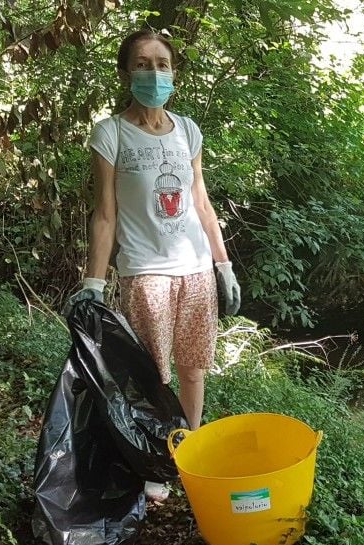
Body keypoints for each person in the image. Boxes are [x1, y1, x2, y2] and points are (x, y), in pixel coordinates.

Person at [66, 29, 240, 501]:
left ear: (174, 73)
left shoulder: (189, 130)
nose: (153, 73)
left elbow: (201, 203)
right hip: (146, 272)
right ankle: (155, 461)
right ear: (126, 73)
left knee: (194, 369)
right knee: (151, 376)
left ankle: (188, 454)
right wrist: (94, 281)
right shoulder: (111, 133)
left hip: (196, 268)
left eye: (162, 64)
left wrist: (223, 264)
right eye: (142, 64)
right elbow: (106, 213)